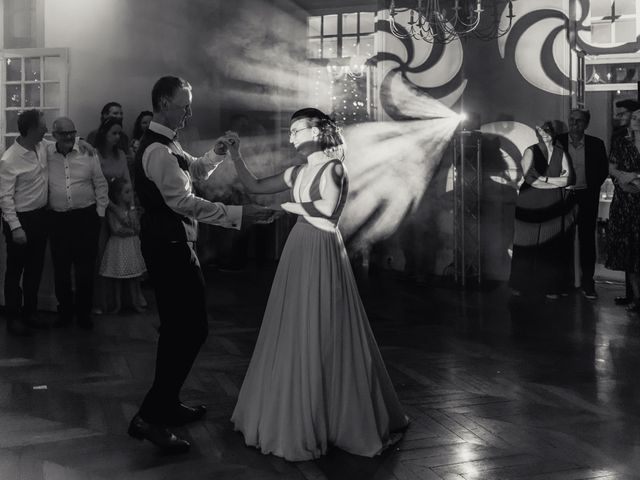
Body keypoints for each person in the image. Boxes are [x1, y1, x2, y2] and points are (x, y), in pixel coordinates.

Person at [230, 107, 409, 461]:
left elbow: (326, 212)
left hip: (323, 248)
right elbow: (252, 187)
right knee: (295, 323)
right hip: (299, 248)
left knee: (325, 324)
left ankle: (333, 415)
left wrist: (286, 206)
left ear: (320, 131)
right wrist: (235, 155)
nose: (292, 136)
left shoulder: (335, 168)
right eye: (291, 130)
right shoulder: (296, 171)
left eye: (298, 129)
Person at [127, 76, 274, 454]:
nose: (189, 112)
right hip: (169, 248)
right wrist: (240, 214)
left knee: (183, 330)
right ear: (162, 103)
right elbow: (184, 203)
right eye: (183, 104)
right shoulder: (157, 150)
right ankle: (151, 417)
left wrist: (219, 153)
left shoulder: (168, 144)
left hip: (176, 245)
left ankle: (166, 404)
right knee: (188, 330)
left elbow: (193, 171)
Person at [48, 117, 109, 329]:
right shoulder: (45, 152)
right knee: (61, 269)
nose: (68, 137)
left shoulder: (88, 153)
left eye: (72, 132)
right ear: (54, 135)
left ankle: (84, 314)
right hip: (58, 220)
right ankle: (64, 313)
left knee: (85, 270)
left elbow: (101, 185)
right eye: (63, 133)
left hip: (86, 218)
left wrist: (99, 215)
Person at [509, 122, 573, 299]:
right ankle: (520, 285)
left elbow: (568, 180)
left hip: (552, 203)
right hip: (529, 203)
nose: (545, 135)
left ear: (553, 134)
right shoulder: (531, 151)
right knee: (525, 245)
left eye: (548, 132)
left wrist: (545, 179)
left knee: (551, 245)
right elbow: (530, 179)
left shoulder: (561, 153)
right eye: (541, 132)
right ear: (537, 134)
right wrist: (554, 182)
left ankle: (551, 287)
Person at [0, 110, 49, 335]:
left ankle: (30, 313)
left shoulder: (42, 147)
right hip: (20, 220)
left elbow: (64, 138)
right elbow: (5, 198)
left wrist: (83, 143)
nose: (46, 130)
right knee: (15, 271)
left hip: (40, 218)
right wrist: (16, 227)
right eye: (42, 127)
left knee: (35, 269)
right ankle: (13, 317)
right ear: (30, 129)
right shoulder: (9, 159)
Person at [557, 109, 608, 299]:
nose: (574, 124)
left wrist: (592, 187)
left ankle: (588, 283)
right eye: (571, 120)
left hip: (587, 196)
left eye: (579, 121)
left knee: (587, 240)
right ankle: (564, 282)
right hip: (565, 196)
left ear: (586, 124)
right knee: (564, 240)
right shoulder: (558, 141)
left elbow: (603, 170)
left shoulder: (596, 144)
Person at [605, 108, 640, 312]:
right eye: (634, 118)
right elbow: (611, 168)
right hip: (625, 203)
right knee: (629, 253)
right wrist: (624, 179)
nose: (636, 121)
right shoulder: (621, 143)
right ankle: (636, 298)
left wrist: (635, 177)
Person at [99, 178, 146, 313]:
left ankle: (135, 302)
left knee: (134, 277)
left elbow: (137, 227)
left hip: (131, 247)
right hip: (118, 248)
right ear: (118, 195)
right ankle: (117, 304)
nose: (130, 195)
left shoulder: (132, 210)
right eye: (126, 192)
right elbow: (115, 229)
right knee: (117, 278)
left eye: (131, 191)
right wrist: (129, 230)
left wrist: (133, 213)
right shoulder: (113, 212)